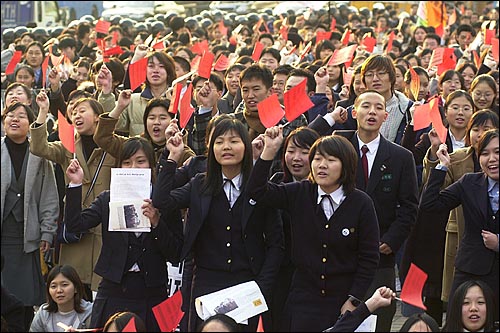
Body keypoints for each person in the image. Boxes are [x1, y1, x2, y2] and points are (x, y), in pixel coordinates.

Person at [152, 117, 284, 332]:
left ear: (246, 145)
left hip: (247, 285)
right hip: (207, 284)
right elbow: (161, 201)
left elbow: (276, 244)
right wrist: (171, 159)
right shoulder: (199, 184)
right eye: (219, 141)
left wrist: (262, 286)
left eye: (234, 141)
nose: (226, 147)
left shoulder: (259, 188)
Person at [248, 128, 380, 331]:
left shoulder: (361, 203)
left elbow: (369, 258)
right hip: (303, 299)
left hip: (341, 298)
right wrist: (268, 152)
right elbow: (258, 192)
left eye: (331, 160)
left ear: (346, 165)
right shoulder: (300, 192)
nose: (322, 166)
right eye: (318, 159)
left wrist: (353, 299)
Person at [309, 90, 419, 332]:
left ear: (386, 116)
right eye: (366, 106)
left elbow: (409, 207)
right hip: (337, 255)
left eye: (378, 108)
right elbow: (305, 141)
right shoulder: (336, 147)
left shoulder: (401, 157)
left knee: (377, 323)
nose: (372, 112)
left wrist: (390, 241)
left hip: (380, 256)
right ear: (353, 112)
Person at [63, 137, 183, 332]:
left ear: (152, 167)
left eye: (140, 161)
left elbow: (176, 253)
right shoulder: (107, 199)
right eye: (127, 162)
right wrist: (75, 184)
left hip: (151, 291)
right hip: (114, 288)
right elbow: (75, 225)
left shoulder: (165, 201)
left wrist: (156, 222)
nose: (133, 167)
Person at [30, 94, 116, 294]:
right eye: (74, 112)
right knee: (74, 290)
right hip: (75, 228)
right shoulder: (67, 147)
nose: (77, 114)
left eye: (82, 110)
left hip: (104, 229)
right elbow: (38, 147)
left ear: (97, 117)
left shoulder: (113, 146)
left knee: (101, 290)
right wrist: (43, 111)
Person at [420, 129, 499, 317]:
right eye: (485, 154)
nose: (492, 159)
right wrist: (442, 167)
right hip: (471, 270)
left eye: (497, 152)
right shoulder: (469, 183)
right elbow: (430, 205)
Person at [1, 102, 59, 330]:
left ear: (31, 124)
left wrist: (47, 231)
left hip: (27, 237)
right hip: (3, 233)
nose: (14, 119)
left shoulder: (40, 154)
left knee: (23, 302)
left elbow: (49, 196)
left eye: (21, 116)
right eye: (9, 115)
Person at [29, 265, 93, 332]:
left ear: (76, 288)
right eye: (53, 286)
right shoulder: (43, 314)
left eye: (64, 285)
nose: (59, 290)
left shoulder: (90, 313)